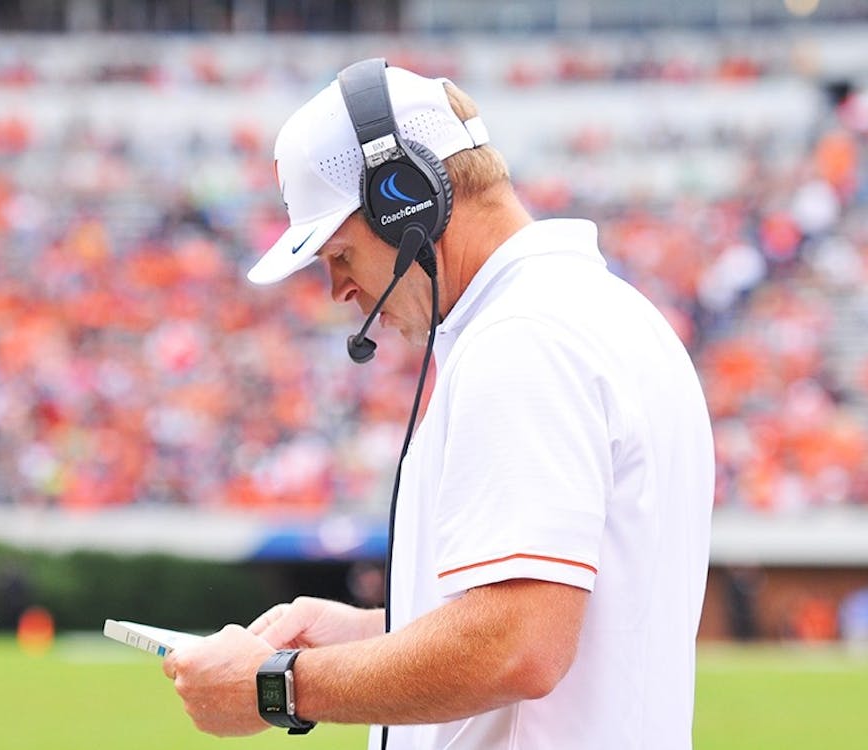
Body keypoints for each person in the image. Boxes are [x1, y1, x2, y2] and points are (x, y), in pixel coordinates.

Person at [162, 59, 715, 750]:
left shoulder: (523, 340)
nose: (339, 291)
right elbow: (573, 619)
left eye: (339, 255)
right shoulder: (599, 314)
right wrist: (375, 630)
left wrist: (278, 684)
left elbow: (519, 645)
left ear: (407, 200)